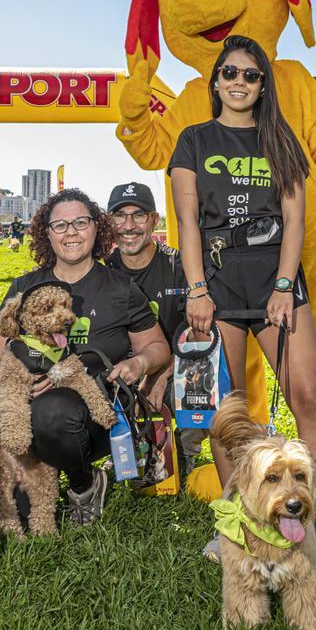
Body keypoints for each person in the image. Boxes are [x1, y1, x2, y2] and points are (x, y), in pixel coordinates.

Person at [169, 35, 316, 581]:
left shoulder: (280, 139)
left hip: (276, 283)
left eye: (250, 75)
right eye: (229, 73)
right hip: (218, 285)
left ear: (263, 84)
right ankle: (235, 523)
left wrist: (284, 284)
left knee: (308, 398)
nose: (238, 82)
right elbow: (188, 223)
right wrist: (196, 290)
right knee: (228, 412)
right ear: (216, 81)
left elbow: (296, 219)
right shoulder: (192, 140)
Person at [0, 188, 170, 526]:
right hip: (26, 418)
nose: (71, 232)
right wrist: (4, 384)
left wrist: (138, 363)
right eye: (60, 225)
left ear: (97, 228)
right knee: (17, 517)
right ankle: (34, 472)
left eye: (80, 222)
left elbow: (157, 347)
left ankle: (85, 485)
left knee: (55, 411)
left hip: (96, 414)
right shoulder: (24, 287)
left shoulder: (120, 288)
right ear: (46, 233)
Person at [102, 182, 198, 476]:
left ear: (154, 220)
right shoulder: (101, 273)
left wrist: (161, 373)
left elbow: (200, 335)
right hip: (124, 371)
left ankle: (186, 450)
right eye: (120, 216)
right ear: (109, 223)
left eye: (139, 215)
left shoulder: (181, 266)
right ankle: (119, 446)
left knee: (198, 378)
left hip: (174, 367)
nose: (129, 226)